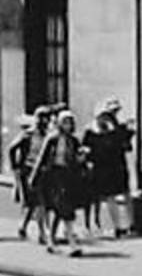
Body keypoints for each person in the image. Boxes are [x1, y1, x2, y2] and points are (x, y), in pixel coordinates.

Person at [30, 109, 84, 255]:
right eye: (65, 122)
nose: (67, 125)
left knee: (62, 210)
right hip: (53, 177)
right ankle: (72, 244)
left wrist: (82, 160)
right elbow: (42, 158)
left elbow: (78, 160)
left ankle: (51, 240)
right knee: (63, 208)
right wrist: (34, 178)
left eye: (70, 122)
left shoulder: (74, 141)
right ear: (60, 124)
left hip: (68, 177)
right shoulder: (52, 139)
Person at [82, 98, 134, 239]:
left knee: (120, 195)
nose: (107, 118)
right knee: (103, 198)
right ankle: (107, 225)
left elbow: (126, 146)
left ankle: (125, 225)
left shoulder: (116, 130)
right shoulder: (91, 131)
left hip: (116, 166)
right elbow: (85, 147)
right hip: (100, 168)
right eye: (104, 115)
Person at [9, 106, 52, 242]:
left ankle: (23, 226)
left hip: (44, 171)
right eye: (41, 118)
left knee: (35, 203)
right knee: (37, 202)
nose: (43, 122)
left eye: (46, 119)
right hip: (29, 170)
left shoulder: (49, 135)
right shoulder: (28, 134)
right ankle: (42, 233)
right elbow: (12, 148)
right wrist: (15, 167)